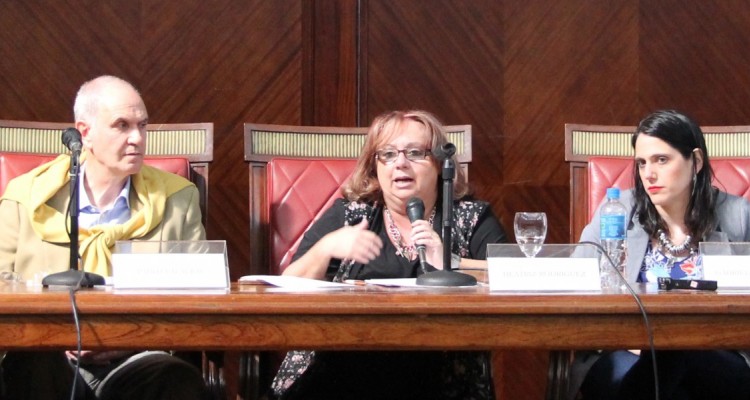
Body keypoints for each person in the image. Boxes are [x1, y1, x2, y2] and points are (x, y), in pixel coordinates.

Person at [270, 110, 508, 399]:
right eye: (388, 154)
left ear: (439, 164)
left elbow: (511, 281)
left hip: (442, 376)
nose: (401, 164)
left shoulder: (470, 217)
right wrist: (326, 248)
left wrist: (452, 264)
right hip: (342, 370)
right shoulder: (349, 215)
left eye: (415, 152)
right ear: (375, 167)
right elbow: (285, 289)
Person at [0, 75, 207, 399]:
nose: (137, 138)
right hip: (50, 356)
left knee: (175, 378)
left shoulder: (177, 200)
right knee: (29, 364)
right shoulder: (26, 198)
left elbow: (202, 298)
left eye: (143, 125)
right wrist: (54, 335)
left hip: (138, 358)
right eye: (121, 125)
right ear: (85, 133)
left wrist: (128, 336)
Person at [573, 110, 750, 400]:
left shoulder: (737, 215)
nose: (649, 174)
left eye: (662, 160)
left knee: (677, 344)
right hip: (624, 350)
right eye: (642, 163)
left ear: (696, 161)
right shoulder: (618, 210)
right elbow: (576, 279)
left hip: (714, 357)